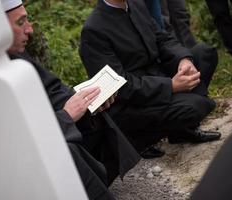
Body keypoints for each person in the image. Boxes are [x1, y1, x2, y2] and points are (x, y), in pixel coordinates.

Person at [0, 0, 140, 199]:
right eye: (20, 22)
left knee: (93, 114)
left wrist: (83, 99)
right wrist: (65, 117)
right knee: (66, 151)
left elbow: (52, 90)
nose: (30, 30)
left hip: (47, 129)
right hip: (17, 164)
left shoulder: (16, 57)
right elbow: (11, 143)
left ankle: (100, 183)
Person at [79, 0, 221, 153]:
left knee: (205, 54)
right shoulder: (93, 30)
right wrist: (171, 86)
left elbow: (163, 39)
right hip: (134, 102)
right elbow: (120, 86)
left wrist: (183, 60)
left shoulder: (136, 5)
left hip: (158, 75)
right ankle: (139, 139)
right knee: (195, 106)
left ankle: (181, 130)